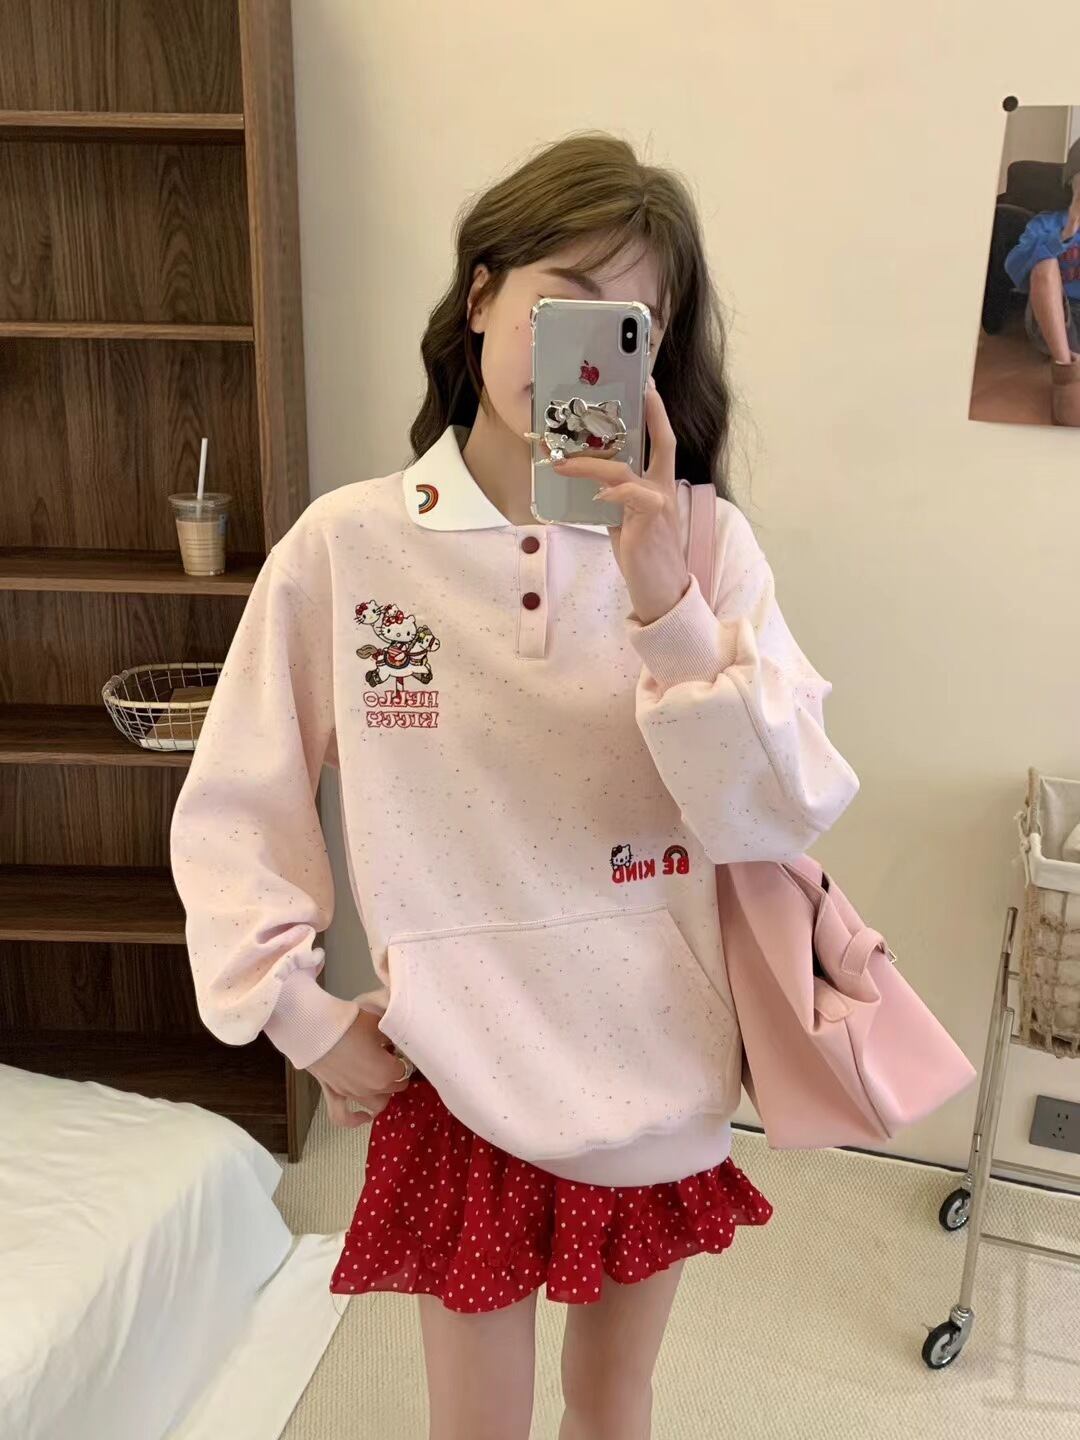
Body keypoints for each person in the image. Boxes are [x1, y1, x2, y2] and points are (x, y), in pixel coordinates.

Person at [169, 131, 860, 1440]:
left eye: (628, 324)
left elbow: (776, 810)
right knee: (473, 1424)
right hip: (457, 1066)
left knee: (612, 1402)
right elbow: (238, 799)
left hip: (658, 1057)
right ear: (481, 295)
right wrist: (302, 1015)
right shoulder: (352, 544)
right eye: (564, 299)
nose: (585, 352)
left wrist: (664, 603)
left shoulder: (704, 546)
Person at [1004, 137, 1080, 424]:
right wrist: (1067, 232)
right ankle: (1065, 374)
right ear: (1071, 185)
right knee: (1044, 264)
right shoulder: (1046, 223)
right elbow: (1014, 268)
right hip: (1057, 321)